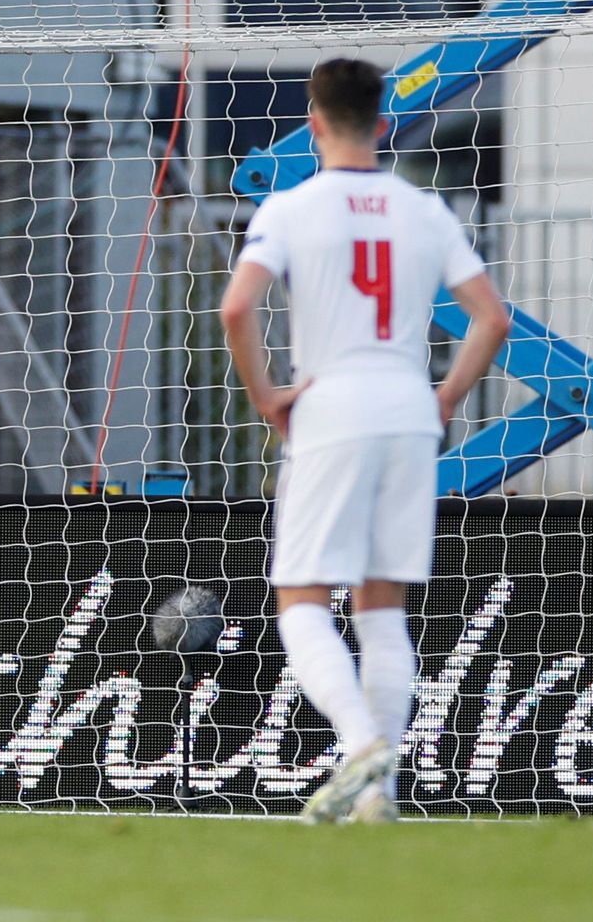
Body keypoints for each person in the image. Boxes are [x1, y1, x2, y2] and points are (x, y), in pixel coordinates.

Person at [220, 56, 510, 824]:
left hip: (332, 407)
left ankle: (358, 746)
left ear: (314, 123)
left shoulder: (291, 207)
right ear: (384, 124)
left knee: (302, 600)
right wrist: (445, 395)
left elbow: (236, 308)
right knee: (382, 607)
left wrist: (266, 397)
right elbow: (493, 318)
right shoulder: (424, 209)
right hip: (409, 410)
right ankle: (377, 798)